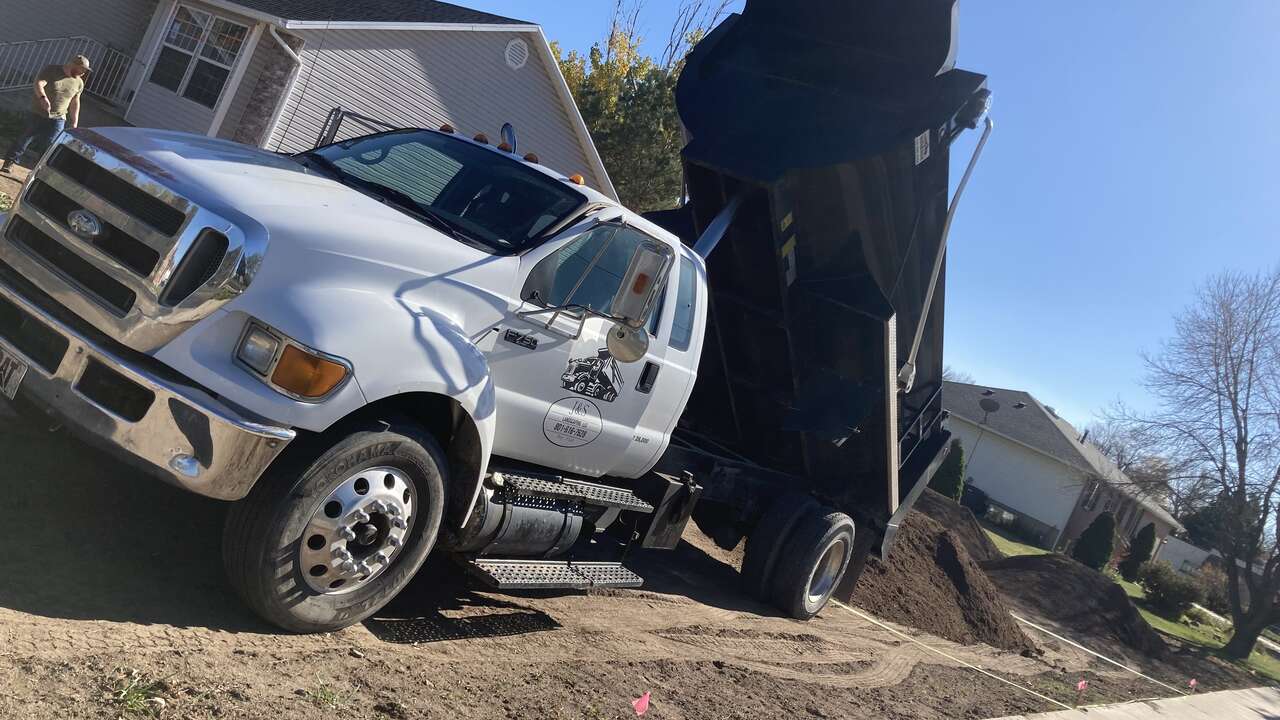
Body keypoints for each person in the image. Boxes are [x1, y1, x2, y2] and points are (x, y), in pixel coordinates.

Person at [1, 54, 90, 174]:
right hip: (38, 112)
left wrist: (74, 122)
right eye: (82, 69)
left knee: (50, 146)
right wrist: (43, 98)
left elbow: (75, 102)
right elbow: (39, 83)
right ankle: (9, 162)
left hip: (59, 118)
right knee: (24, 138)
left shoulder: (79, 83)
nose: (83, 73)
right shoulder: (52, 70)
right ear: (74, 65)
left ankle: (38, 172)